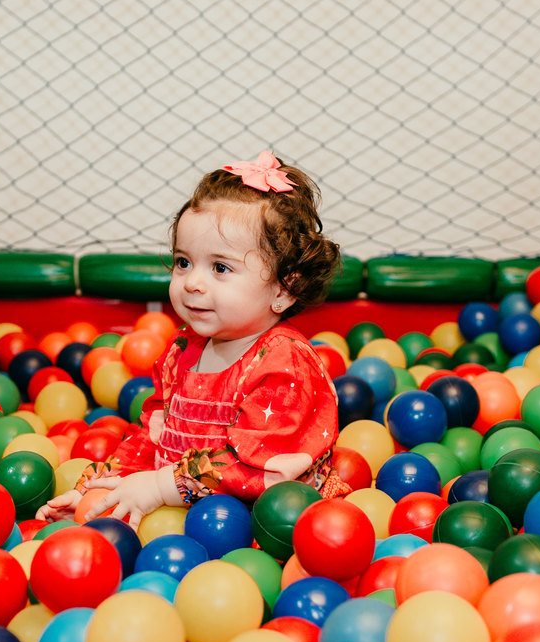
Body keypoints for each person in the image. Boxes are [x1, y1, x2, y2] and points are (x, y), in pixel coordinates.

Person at [36, 150, 348, 527]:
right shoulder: (183, 348)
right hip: (179, 520)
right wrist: (100, 491)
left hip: (271, 527)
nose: (193, 283)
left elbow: (258, 467)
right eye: (184, 262)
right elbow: (152, 433)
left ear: (284, 288)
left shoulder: (284, 365)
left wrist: (160, 487)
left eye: (220, 267)